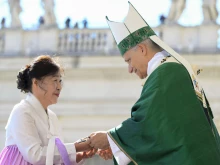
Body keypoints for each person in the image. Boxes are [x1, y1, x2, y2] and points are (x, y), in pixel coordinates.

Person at [88, 2, 220, 165]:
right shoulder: (171, 69)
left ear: (142, 49)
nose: (129, 69)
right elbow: (165, 135)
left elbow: (147, 122)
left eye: (129, 60)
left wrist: (111, 139)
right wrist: (121, 147)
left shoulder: (165, 73)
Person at [0, 55, 97, 164]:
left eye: (60, 81)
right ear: (35, 82)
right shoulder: (22, 111)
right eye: (55, 80)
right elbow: (35, 155)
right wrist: (76, 147)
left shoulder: (52, 117)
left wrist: (78, 155)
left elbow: (51, 157)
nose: (59, 86)